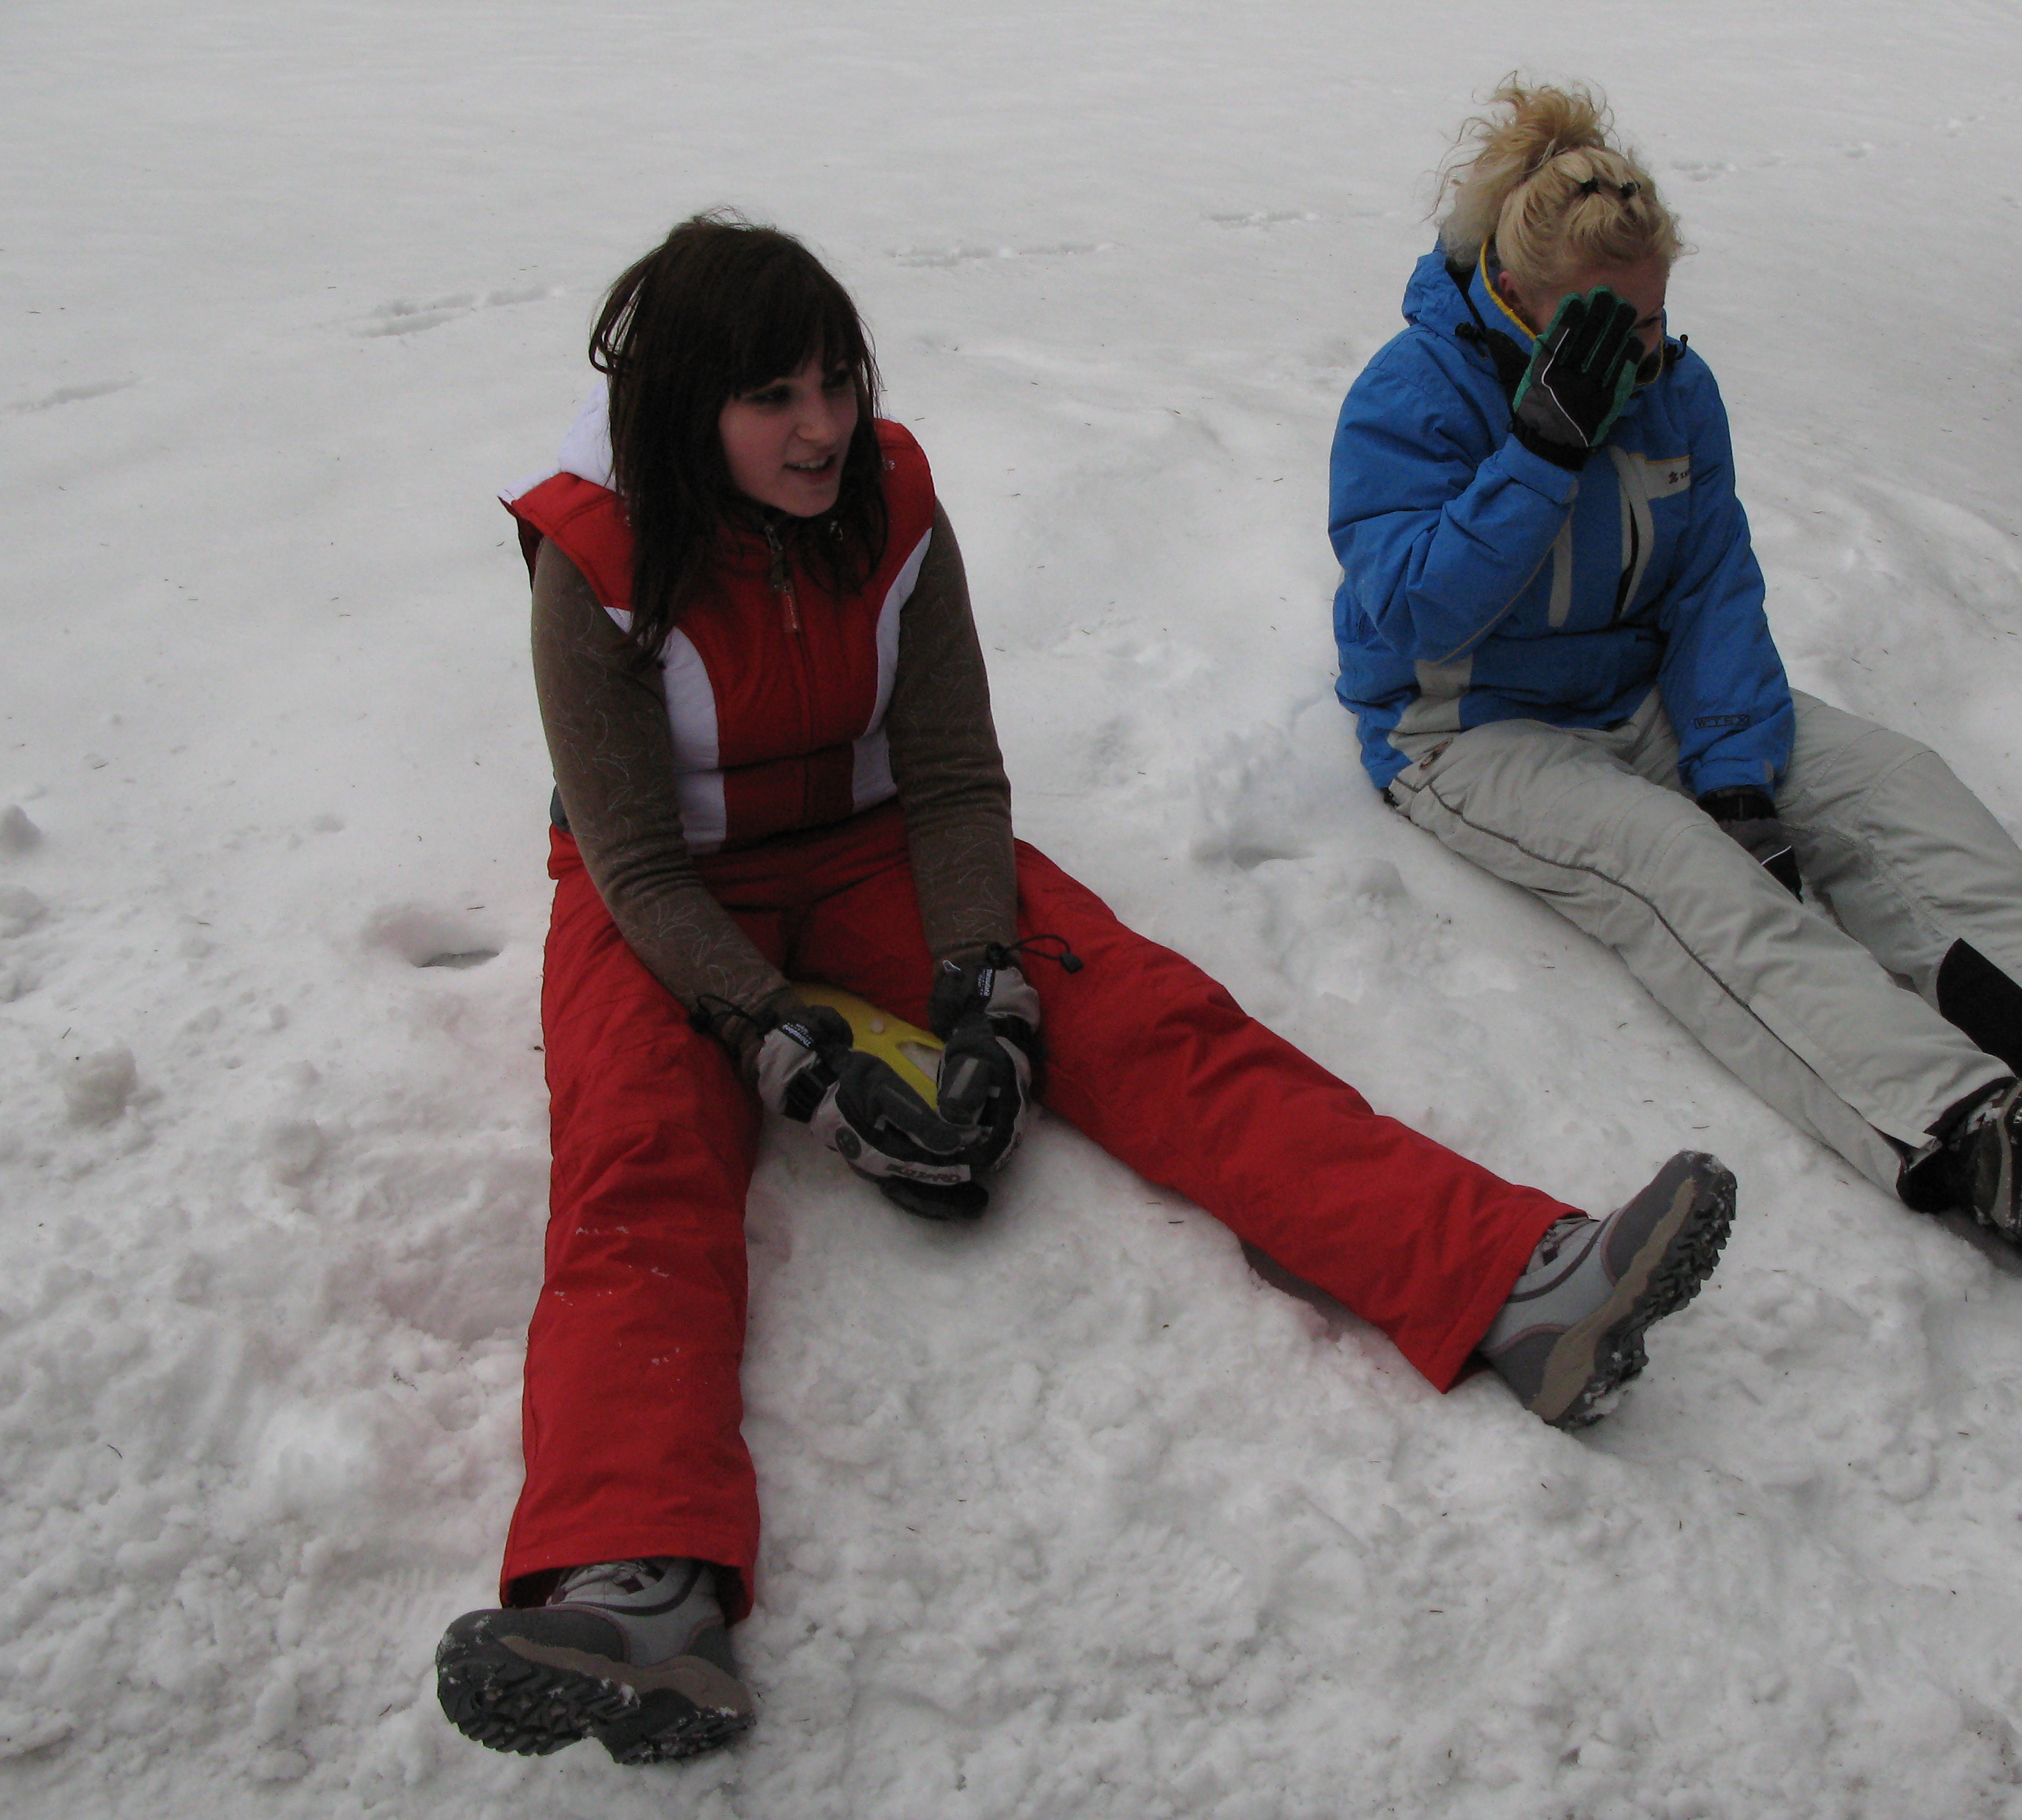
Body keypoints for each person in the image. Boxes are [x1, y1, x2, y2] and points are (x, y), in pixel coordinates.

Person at [433, 213, 1737, 1767]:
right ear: (684, 410)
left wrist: (987, 983)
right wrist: (783, 1041)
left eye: (838, 382)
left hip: (878, 841)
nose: (824, 425)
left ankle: (1522, 1286)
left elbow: (953, 775)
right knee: (638, 1158)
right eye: (773, 397)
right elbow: (641, 869)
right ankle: (633, 1589)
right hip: (667, 889)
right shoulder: (592, 559)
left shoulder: (893, 502)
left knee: (1145, 1020)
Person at [1328, 80, 2022, 1264]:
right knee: (1679, 870)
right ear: (1521, 298)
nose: (1646, 353)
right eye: (1615, 328)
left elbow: (1711, 586)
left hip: (1636, 693)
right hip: (1469, 731)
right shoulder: (1413, 394)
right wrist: (1541, 451)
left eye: (1657, 319)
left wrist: (1736, 773)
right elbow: (1411, 612)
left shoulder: (1674, 392)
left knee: (1895, 788)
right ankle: (1967, 1133)